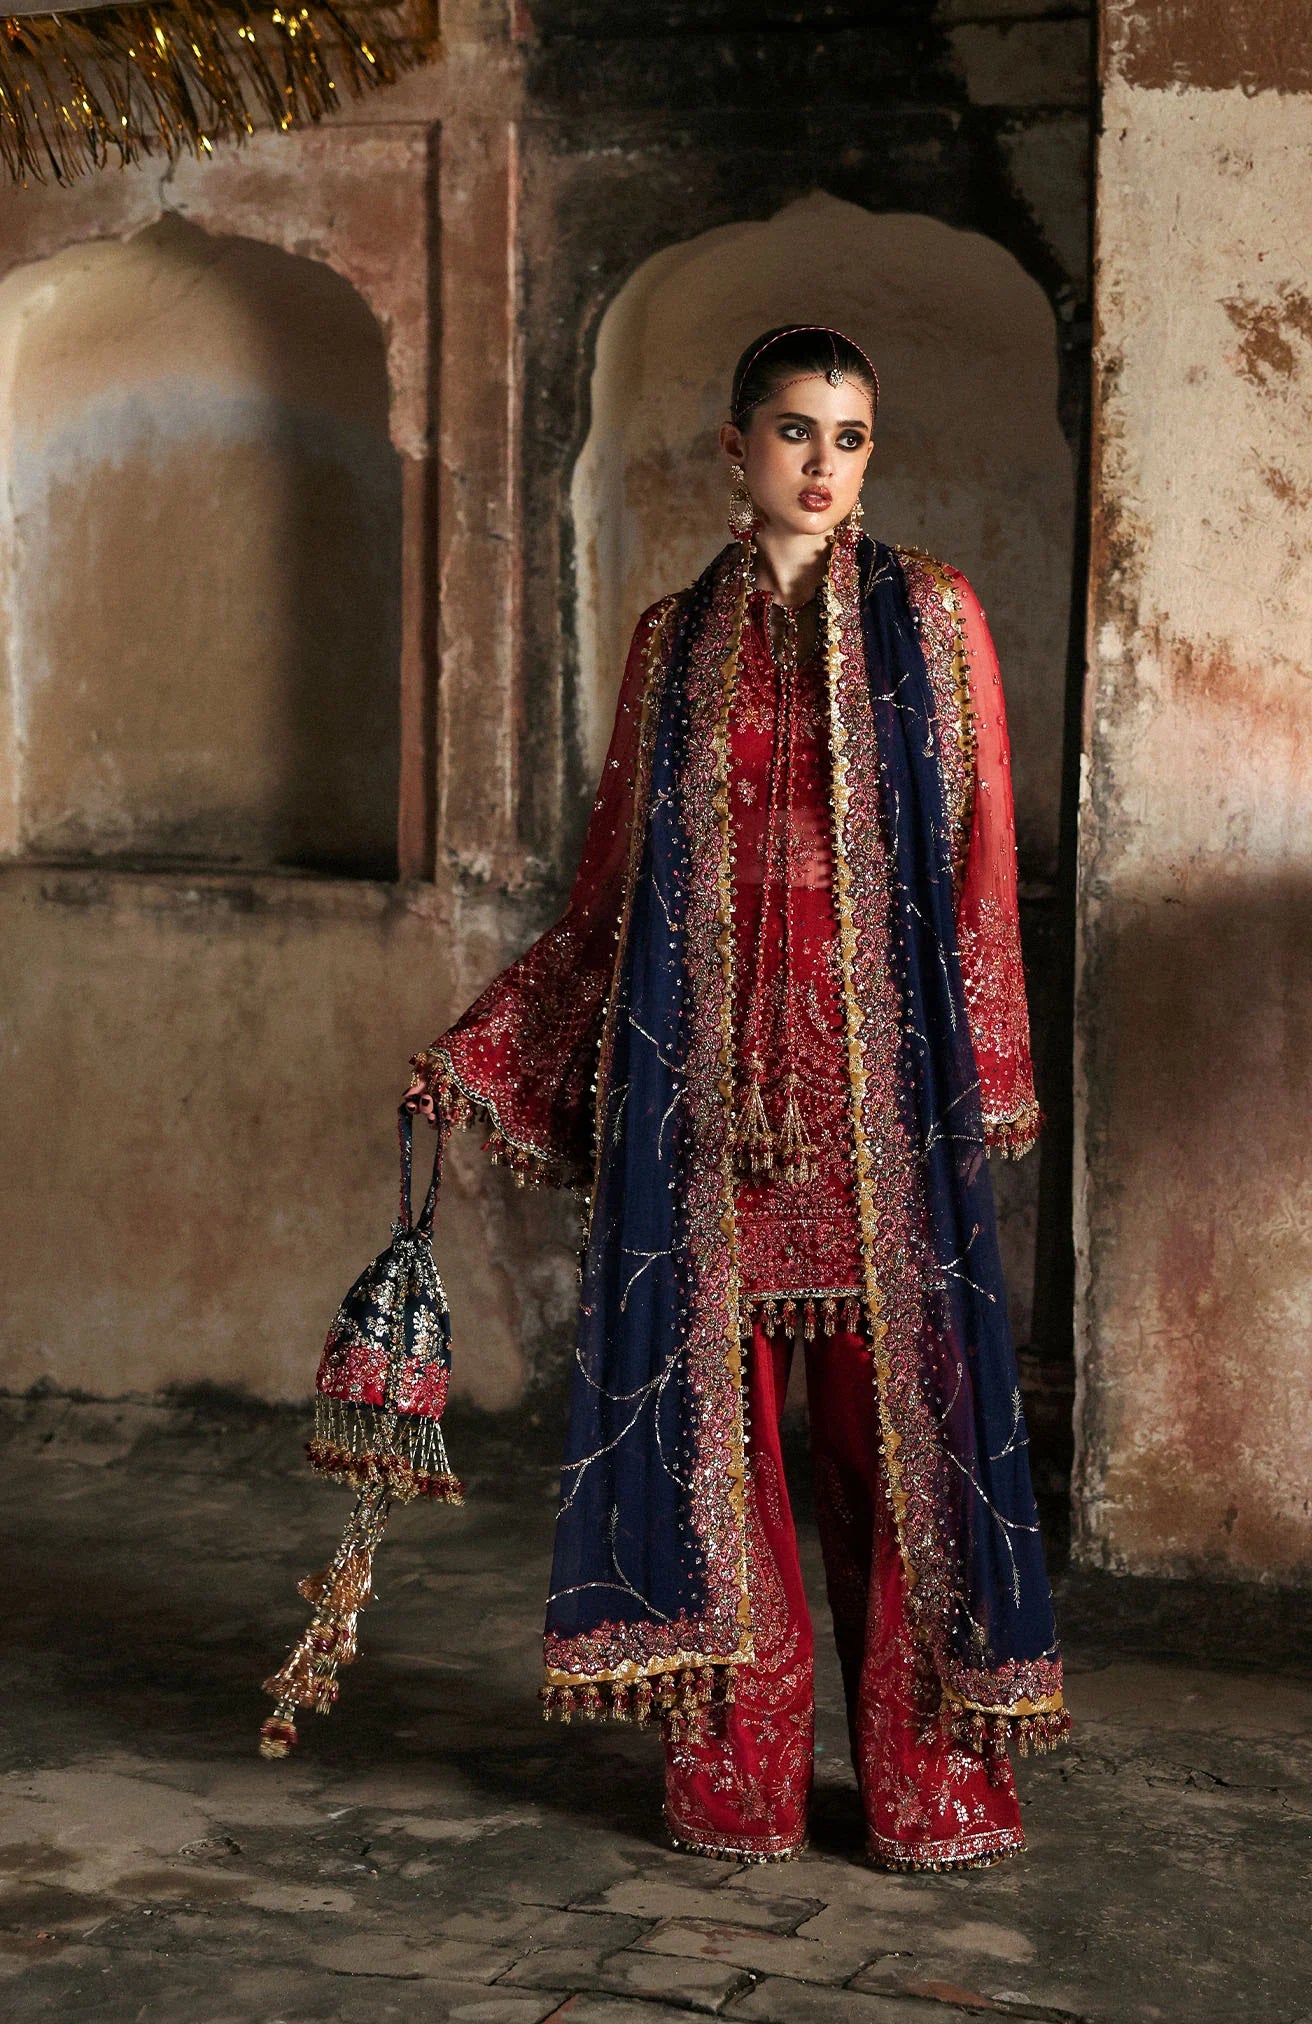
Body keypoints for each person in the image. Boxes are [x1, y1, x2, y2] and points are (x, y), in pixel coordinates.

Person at [405, 325, 1068, 1870]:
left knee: (903, 1451)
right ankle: (737, 1782)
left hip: (882, 1101)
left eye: (851, 436)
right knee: (720, 1450)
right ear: (734, 445)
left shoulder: (933, 616)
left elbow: (979, 857)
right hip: (704, 1107)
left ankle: (933, 1787)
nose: (824, 465)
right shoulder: (673, 644)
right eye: (795, 431)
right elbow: (614, 887)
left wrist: (988, 1074)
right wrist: (493, 1048)